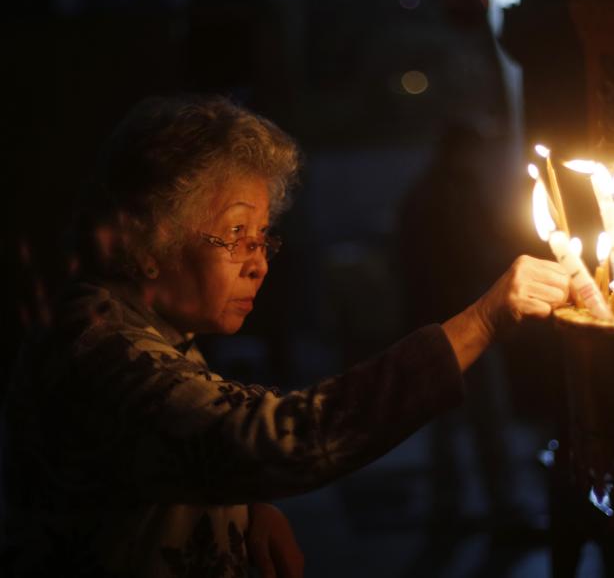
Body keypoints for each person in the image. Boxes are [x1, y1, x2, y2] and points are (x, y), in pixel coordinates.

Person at [1, 96, 570, 576]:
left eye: (262, 237)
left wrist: (244, 505)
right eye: (235, 234)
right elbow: (280, 438)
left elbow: (186, 446)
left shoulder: (149, 326)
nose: (259, 264)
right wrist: (482, 321)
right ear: (154, 239)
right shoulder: (99, 351)